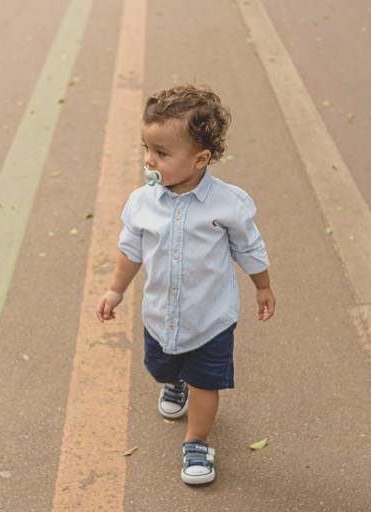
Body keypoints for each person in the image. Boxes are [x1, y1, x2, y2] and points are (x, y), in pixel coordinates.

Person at [95, 84, 275, 485]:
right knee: (160, 366)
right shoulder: (142, 203)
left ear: (200, 159)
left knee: (206, 383)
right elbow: (131, 251)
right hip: (160, 314)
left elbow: (249, 246)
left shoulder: (227, 204)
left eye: (161, 153)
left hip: (210, 319)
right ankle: (173, 383)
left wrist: (262, 285)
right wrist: (115, 290)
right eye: (146, 149)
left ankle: (197, 442)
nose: (149, 161)